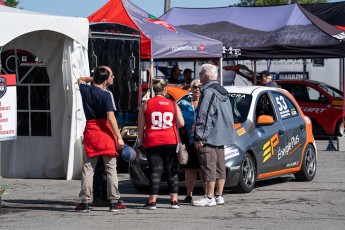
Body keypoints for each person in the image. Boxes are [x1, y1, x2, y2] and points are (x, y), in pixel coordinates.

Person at [75, 66, 125, 212]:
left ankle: (85, 201)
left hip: (91, 131)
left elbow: (81, 79)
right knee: (111, 169)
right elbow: (111, 118)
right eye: (111, 76)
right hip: (105, 132)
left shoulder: (85, 90)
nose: (113, 78)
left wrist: (97, 79)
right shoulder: (106, 94)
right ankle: (114, 201)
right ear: (105, 79)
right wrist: (119, 137)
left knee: (88, 169)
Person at [137, 77, 184, 210]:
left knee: (155, 171)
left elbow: (141, 127)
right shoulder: (173, 104)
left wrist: (141, 142)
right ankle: (174, 201)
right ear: (165, 89)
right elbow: (181, 123)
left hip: (153, 140)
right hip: (170, 139)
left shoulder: (146, 104)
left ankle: (152, 201)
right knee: (171, 170)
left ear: (153, 89)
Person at [193, 63, 235, 207]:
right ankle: (219, 195)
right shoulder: (223, 91)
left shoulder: (210, 92)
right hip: (221, 135)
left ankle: (209, 197)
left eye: (200, 74)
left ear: (207, 76)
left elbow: (204, 115)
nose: (199, 77)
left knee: (208, 166)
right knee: (219, 166)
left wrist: (199, 136)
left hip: (209, 136)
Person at [177, 80, 205, 204]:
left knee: (204, 169)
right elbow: (177, 120)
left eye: (200, 87)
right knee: (191, 169)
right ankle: (189, 195)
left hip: (204, 141)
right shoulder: (183, 104)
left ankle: (207, 194)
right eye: (195, 87)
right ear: (191, 89)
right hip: (188, 140)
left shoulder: (206, 103)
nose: (197, 89)